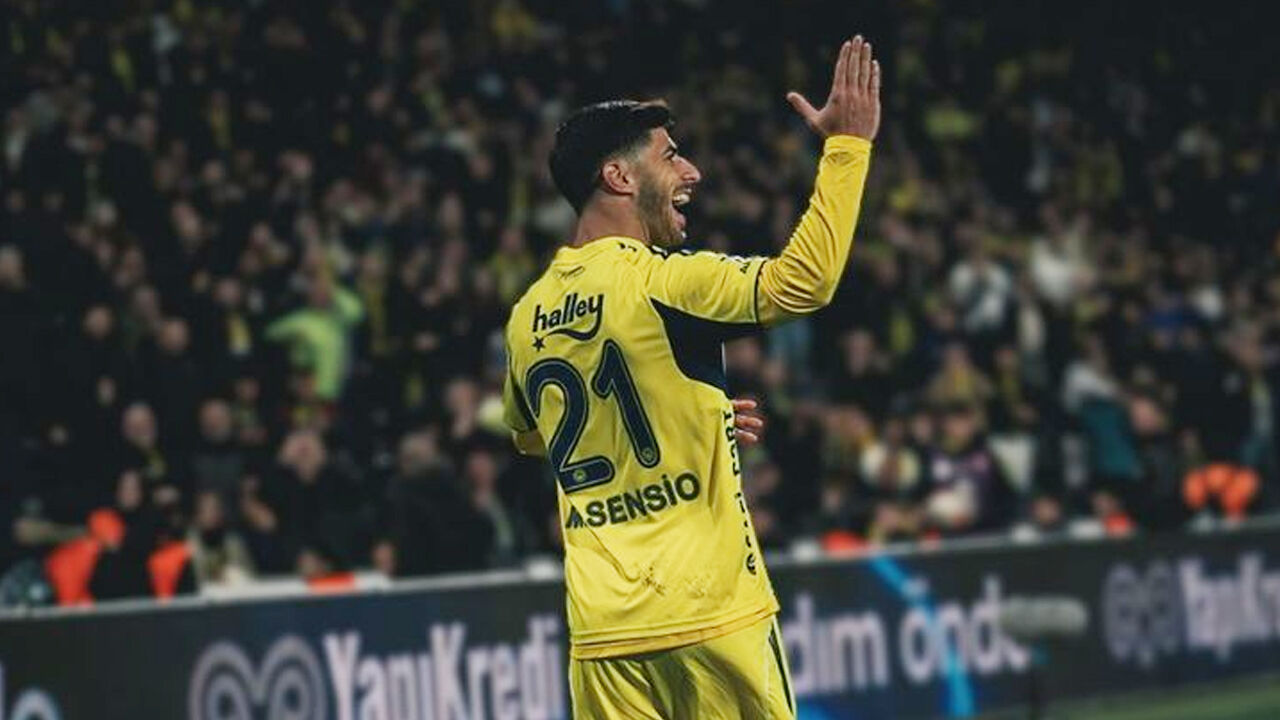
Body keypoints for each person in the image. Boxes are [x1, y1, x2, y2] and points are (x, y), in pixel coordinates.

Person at [502, 36, 880, 719]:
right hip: (710, 615)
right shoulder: (663, 282)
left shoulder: (528, 315)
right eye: (670, 155)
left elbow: (534, 436)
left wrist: (680, 410)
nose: (692, 171)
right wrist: (847, 148)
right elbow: (804, 282)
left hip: (605, 638)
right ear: (619, 177)